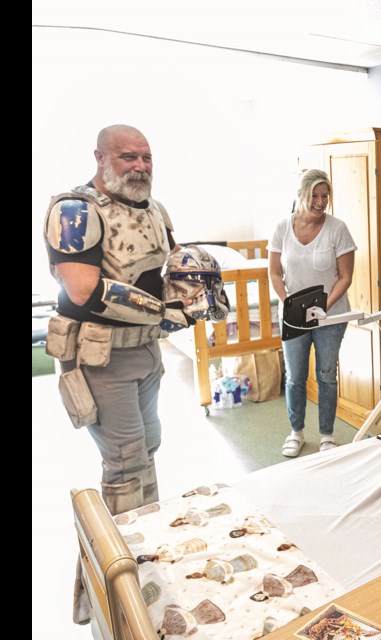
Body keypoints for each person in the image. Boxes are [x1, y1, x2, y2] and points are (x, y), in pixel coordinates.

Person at [42, 124, 199, 624]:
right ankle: (113, 590)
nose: (140, 166)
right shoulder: (73, 210)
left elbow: (174, 263)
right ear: (100, 158)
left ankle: (139, 562)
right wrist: (161, 311)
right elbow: (85, 288)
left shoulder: (155, 209)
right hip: (101, 359)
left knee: (146, 454)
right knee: (127, 466)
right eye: (128, 157)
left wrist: (195, 290)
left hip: (147, 354)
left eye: (147, 157)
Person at [269, 169, 357, 457]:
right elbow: (274, 271)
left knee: (326, 375)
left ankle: (327, 435)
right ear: (301, 196)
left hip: (328, 316)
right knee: (294, 377)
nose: (320, 202)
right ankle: (296, 432)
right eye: (314, 196)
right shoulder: (283, 227)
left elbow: (345, 277)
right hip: (293, 316)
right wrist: (288, 304)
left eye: (325, 196)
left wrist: (323, 308)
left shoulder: (338, 229)